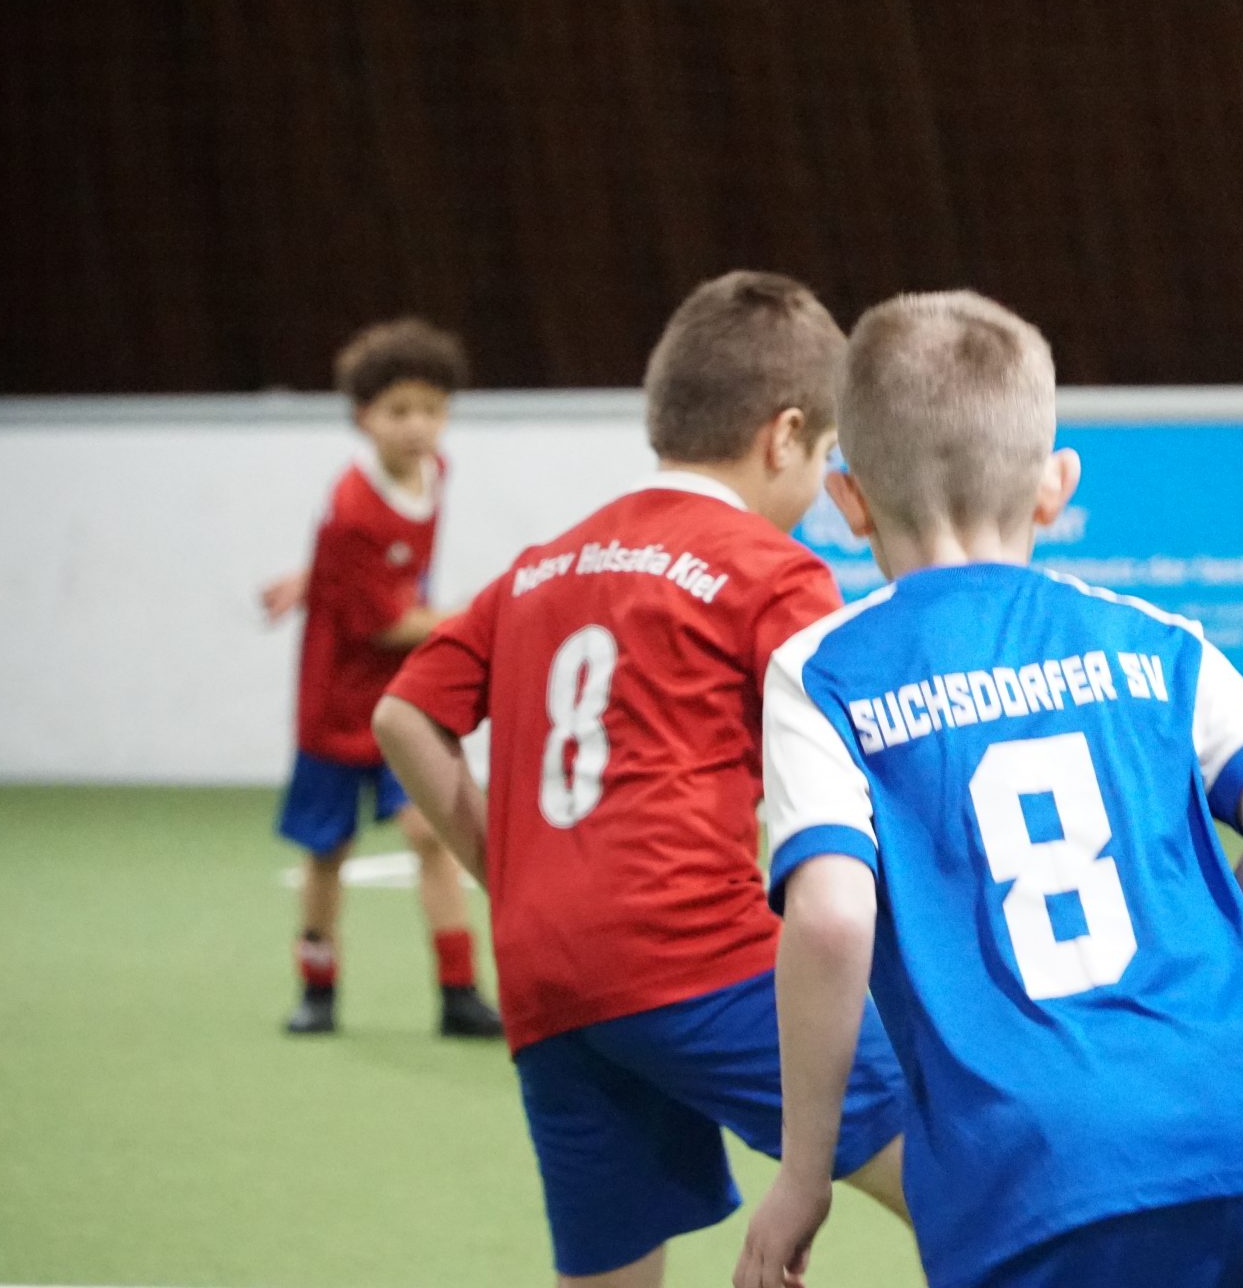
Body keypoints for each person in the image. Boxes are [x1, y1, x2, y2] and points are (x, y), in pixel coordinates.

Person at [734, 291, 1243, 1288]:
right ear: (1056, 486)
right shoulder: (1158, 640)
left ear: (847, 501)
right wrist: (1197, 971)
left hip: (1032, 1169)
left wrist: (804, 1174)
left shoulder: (825, 672)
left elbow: (834, 918)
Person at [372, 273, 909, 1287]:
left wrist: (508, 874)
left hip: (545, 973)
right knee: (968, 1182)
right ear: (785, 436)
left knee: (609, 1273)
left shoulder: (543, 564)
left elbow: (403, 716)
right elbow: (863, 765)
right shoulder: (772, 570)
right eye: (825, 454)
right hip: (698, 955)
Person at [266, 317, 498, 1038]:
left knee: (431, 834)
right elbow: (388, 623)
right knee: (327, 852)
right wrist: (480, 616)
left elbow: (379, 569)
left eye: (432, 409)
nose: (418, 426)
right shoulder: (354, 508)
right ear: (364, 417)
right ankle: (318, 987)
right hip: (337, 706)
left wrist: (312, 577)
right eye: (399, 411)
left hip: (404, 700)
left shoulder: (435, 472)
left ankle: (459, 991)